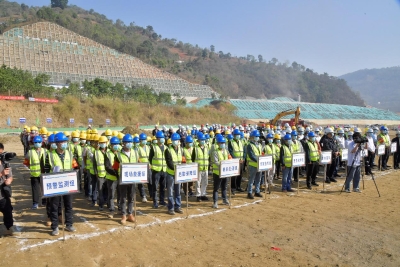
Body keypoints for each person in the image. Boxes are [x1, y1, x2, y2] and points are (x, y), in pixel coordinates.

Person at [44, 132, 79, 236]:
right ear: (57, 143)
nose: (64, 144)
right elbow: (45, 170)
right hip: (56, 185)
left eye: (65, 142)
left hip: (67, 184)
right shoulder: (50, 155)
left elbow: (74, 166)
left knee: (68, 205)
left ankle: (69, 224)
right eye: (62, 142)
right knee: (54, 206)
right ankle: (54, 227)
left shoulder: (70, 153)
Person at [112, 134, 137, 225]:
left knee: (131, 197)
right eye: (127, 142)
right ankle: (123, 215)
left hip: (133, 179)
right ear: (123, 143)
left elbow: (138, 163)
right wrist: (119, 176)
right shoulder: (118, 155)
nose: (129, 144)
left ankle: (130, 214)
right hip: (123, 179)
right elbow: (115, 167)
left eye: (130, 142)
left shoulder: (135, 152)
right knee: (123, 198)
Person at [24, 135, 47, 209]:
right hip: (34, 174)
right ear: (33, 143)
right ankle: (35, 203)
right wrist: (30, 169)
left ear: (42, 143)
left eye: (39, 142)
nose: (37, 143)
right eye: (36, 142)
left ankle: (44, 202)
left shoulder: (45, 151)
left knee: (44, 188)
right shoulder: (30, 152)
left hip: (44, 174)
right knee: (35, 189)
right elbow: (26, 163)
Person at [164, 133, 184, 215]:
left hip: (178, 174)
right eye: (174, 140)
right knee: (170, 192)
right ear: (171, 141)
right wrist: (177, 169)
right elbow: (169, 162)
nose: (176, 142)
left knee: (178, 191)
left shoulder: (181, 149)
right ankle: (171, 208)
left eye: (177, 140)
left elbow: (183, 160)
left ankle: (178, 206)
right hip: (171, 174)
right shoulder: (167, 150)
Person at [149, 131, 167, 209]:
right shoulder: (153, 147)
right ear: (157, 139)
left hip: (164, 169)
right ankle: (155, 202)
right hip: (156, 170)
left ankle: (162, 200)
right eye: (160, 138)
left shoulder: (166, 147)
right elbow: (150, 158)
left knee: (163, 186)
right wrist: (151, 166)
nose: (162, 139)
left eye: (163, 138)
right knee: (155, 187)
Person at [211, 135, 230, 208]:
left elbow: (229, 158)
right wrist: (224, 164)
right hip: (217, 173)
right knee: (216, 188)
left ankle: (224, 199)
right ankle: (215, 202)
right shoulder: (215, 152)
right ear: (218, 143)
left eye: (223, 143)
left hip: (225, 172)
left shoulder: (226, 151)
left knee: (224, 187)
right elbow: (216, 162)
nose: (222, 144)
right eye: (221, 143)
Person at [0, 143, 14, 236]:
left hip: (3, 193)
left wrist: (9, 180)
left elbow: (10, 176)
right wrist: (1, 174)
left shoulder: (5, 163)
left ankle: (9, 227)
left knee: (7, 211)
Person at [104, 136, 120, 218]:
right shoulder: (107, 154)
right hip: (111, 178)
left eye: (117, 144)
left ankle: (120, 209)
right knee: (111, 195)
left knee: (120, 194)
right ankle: (112, 210)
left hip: (120, 178)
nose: (116, 146)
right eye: (114, 144)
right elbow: (107, 167)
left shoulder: (120, 153)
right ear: (111, 145)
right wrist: (116, 173)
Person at [93, 136, 109, 211]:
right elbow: (94, 164)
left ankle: (108, 204)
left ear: (106, 143)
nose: (103, 144)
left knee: (108, 190)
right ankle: (101, 205)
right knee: (100, 190)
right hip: (100, 175)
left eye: (104, 143)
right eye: (101, 143)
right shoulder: (96, 152)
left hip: (109, 175)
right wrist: (96, 173)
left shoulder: (109, 151)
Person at [192, 133, 209, 202]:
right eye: (201, 140)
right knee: (198, 183)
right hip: (198, 168)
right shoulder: (195, 149)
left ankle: (203, 194)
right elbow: (193, 158)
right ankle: (198, 195)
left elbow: (208, 157)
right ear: (198, 140)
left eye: (203, 140)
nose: (203, 141)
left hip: (205, 168)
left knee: (205, 182)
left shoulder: (206, 147)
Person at [246, 130, 263, 199]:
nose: (257, 138)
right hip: (253, 165)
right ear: (252, 137)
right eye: (256, 136)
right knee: (251, 179)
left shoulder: (259, 145)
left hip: (259, 165)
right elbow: (251, 155)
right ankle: (249, 192)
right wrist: (259, 161)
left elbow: (261, 153)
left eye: (258, 137)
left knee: (258, 179)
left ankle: (257, 191)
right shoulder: (249, 145)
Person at [228, 129, 245, 194]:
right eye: (236, 135)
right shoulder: (231, 142)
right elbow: (231, 152)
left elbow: (243, 150)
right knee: (234, 175)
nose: (238, 136)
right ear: (234, 135)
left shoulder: (241, 142)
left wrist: (243, 158)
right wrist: (236, 159)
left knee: (240, 174)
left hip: (241, 161)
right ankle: (233, 188)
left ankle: (238, 186)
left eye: (238, 135)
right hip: (235, 161)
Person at [138, 133, 150, 202]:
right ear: (140, 141)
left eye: (145, 140)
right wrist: (141, 164)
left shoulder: (148, 147)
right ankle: (143, 195)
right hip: (141, 167)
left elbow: (150, 157)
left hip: (148, 166)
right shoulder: (138, 148)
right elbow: (137, 157)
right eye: (142, 140)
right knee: (141, 183)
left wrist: (150, 164)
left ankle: (151, 194)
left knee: (149, 181)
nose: (144, 141)